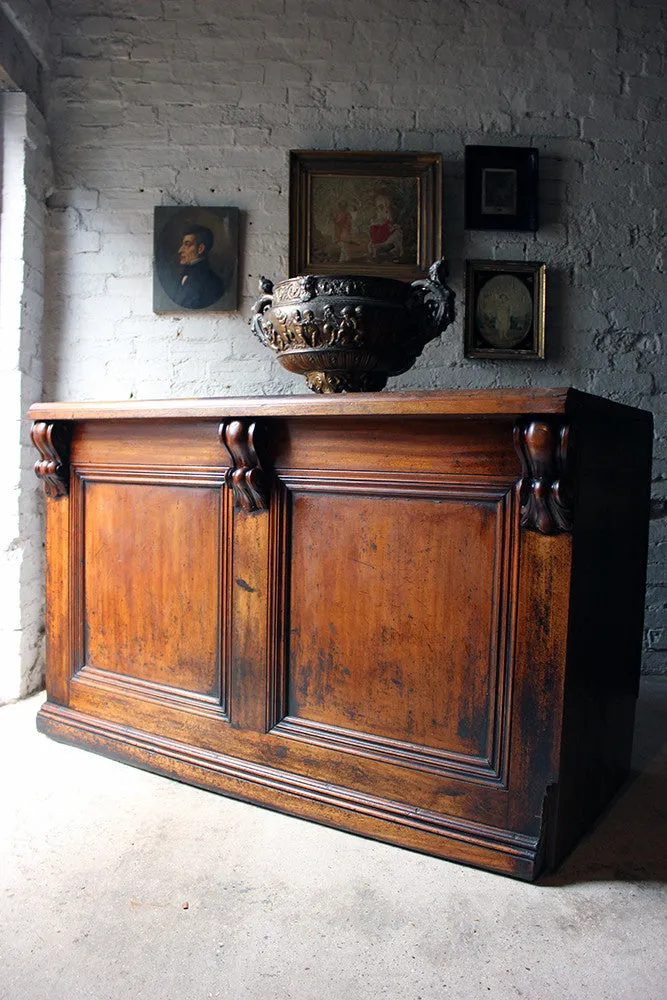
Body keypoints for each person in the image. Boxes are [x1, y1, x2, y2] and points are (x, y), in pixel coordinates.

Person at [169, 225, 225, 309]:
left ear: (200, 249)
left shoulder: (212, 282)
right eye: (182, 244)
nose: (180, 250)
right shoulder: (186, 273)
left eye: (187, 244)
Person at [368, 192, 403, 262]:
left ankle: (398, 251)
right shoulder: (374, 222)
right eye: (381, 207)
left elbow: (389, 226)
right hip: (380, 236)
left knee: (398, 233)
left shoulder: (388, 219)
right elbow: (374, 233)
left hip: (385, 234)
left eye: (387, 206)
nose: (386, 210)